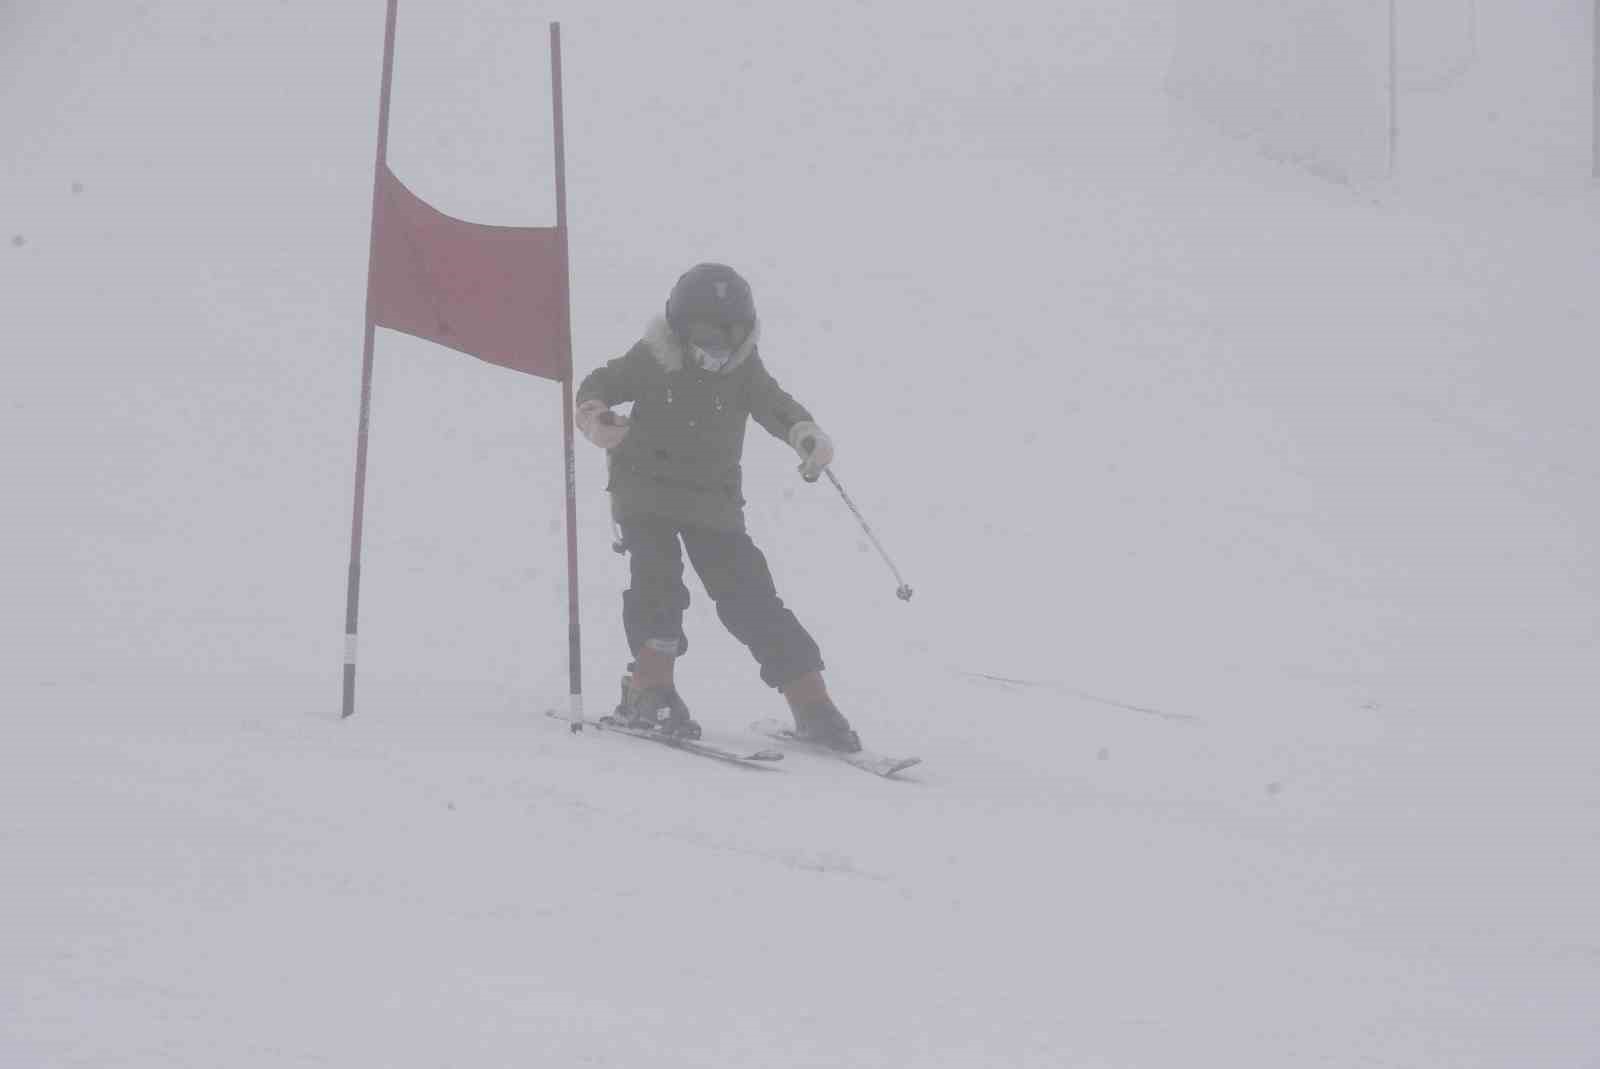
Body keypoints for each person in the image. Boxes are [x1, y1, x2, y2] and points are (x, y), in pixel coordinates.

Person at [573, 262, 862, 753]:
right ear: (681, 327)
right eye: (708, 332)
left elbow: (776, 405)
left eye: (731, 332)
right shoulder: (653, 357)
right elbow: (599, 384)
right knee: (658, 585)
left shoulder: (743, 368)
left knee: (751, 596)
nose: (719, 345)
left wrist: (804, 434)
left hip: (713, 504)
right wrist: (596, 418)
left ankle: (813, 703)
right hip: (645, 495)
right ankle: (650, 688)